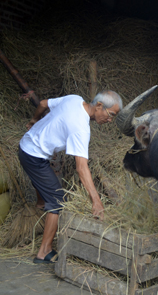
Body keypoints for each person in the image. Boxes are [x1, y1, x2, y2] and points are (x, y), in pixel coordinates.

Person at [18, 90, 122, 264]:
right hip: (33, 156)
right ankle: (44, 252)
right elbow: (81, 168)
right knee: (58, 200)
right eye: (110, 115)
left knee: (47, 189)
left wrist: (35, 119)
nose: (110, 120)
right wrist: (96, 201)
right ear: (99, 106)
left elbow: (43, 104)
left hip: (26, 144)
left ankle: (40, 206)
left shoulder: (75, 99)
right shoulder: (81, 129)